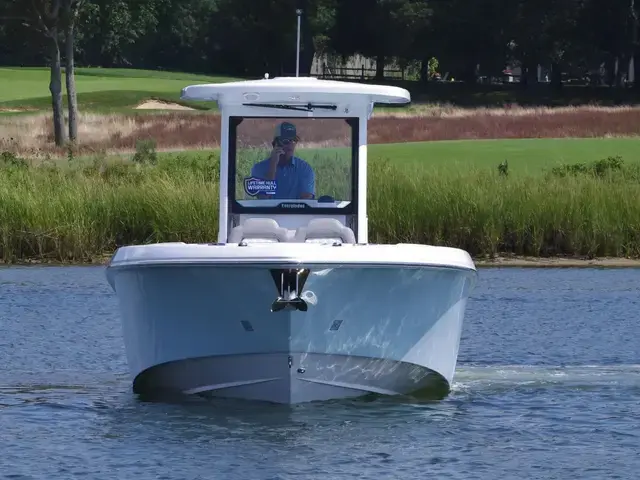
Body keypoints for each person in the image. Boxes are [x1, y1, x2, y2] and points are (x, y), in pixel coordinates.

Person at [250, 122, 315, 199]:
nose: (291, 144)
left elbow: (306, 199)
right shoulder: (259, 168)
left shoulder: (304, 168)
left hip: (296, 211)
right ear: (276, 144)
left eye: (294, 140)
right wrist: (273, 166)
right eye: (286, 140)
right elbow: (264, 198)